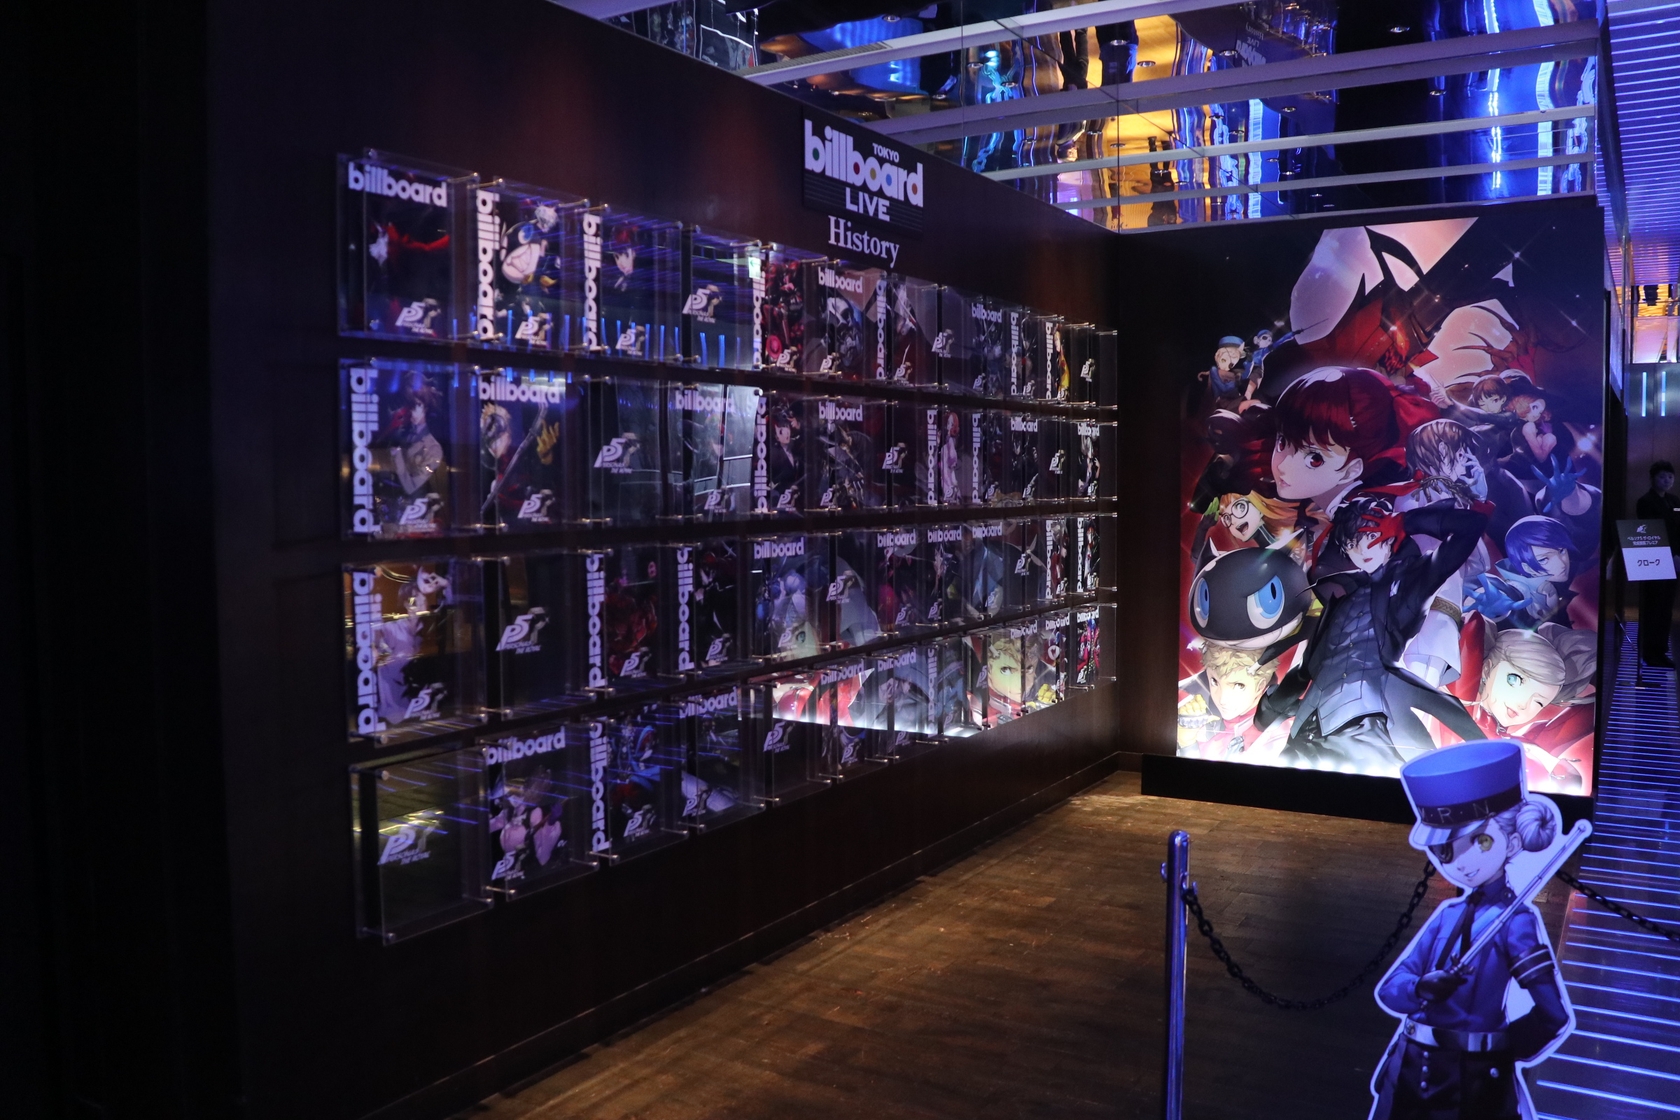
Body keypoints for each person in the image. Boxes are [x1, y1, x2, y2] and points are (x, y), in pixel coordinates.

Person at [1370, 739, 1575, 1119]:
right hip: (1408, 1071)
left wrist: (1495, 1050)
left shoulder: (1516, 922)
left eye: (1480, 841)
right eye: (1445, 851)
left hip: (1471, 1083)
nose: (1461, 863)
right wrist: (1420, 987)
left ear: (1513, 841)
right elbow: (1390, 989)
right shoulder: (1448, 915)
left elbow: (1553, 1015)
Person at [1636, 460, 1680, 668]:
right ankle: (1648, 651)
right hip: (1655, 561)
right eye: (1662, 477)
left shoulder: (1675, 501)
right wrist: (1670, 554)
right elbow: (1652, 532)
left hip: (1675, 560)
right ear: (1653, 478)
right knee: (1653, 606)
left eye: (1670, 477)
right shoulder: (1645, 502)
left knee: (1666, 607)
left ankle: (1660, 650)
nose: (1667, 481)